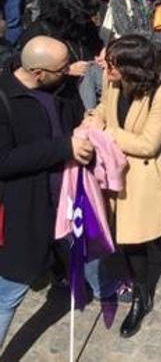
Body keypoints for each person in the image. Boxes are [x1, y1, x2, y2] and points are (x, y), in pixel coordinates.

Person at [96, 35, 161, 337]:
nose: (105, 66)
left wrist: (106, 132)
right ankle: (141, 296)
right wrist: (92, 119)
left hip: (150, 172)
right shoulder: (112, 80)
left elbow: (149, 144)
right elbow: (103, 109)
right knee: (129, 240)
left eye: (112, 63)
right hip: (118, 172)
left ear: (131, 68)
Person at [0, 37, 93, 344]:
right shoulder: (4, 100)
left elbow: (75, 118)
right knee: (8, 296)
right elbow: (5, 161)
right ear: (38, 72)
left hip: (62, 204)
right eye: (62, 67)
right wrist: (63, 147)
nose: (69, 70)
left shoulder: (58, 85)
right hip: (22, 214)